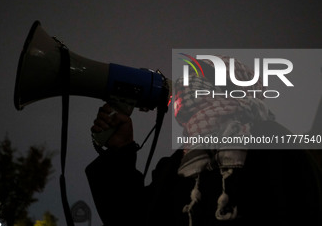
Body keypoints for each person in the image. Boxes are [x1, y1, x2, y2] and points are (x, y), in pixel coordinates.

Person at [86, 57, 322, 226]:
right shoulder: (178, 162)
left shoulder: (274, 144)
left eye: (201, 83)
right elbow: (133, 217)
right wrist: (120, 151)